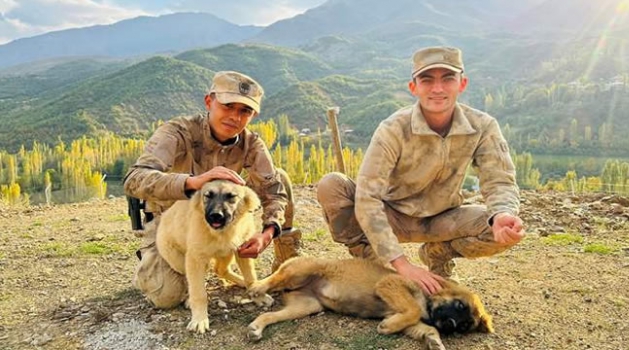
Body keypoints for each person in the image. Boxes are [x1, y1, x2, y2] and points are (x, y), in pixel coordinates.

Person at [316, 46, 525, 295]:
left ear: (462, 83)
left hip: (442, 219)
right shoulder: (393, 128)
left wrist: (501, 214)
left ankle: (438, 255)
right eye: (427, 80)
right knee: (332, 185)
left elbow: (499, 179)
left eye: (448, 78)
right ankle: (370, 259)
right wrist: (402, 264)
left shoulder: (483, 126)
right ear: (413, 87)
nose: (438, 88)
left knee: (499, 228)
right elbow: (367, 196)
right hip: (393, 214)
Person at [124, 71, 301, 308]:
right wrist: (191, 183)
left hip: (224, 220)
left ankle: (284, 260)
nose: (234, 117)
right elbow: (134, 179)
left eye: (244, 111)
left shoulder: (251, 143)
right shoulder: (178, 132)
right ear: (209, 101)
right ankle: (152, 260)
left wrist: (267, 234)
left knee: (281, 178)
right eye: (228, 106)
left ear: (253, 115)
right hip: (173, 223)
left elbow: (273, 190)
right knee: (167, 297)